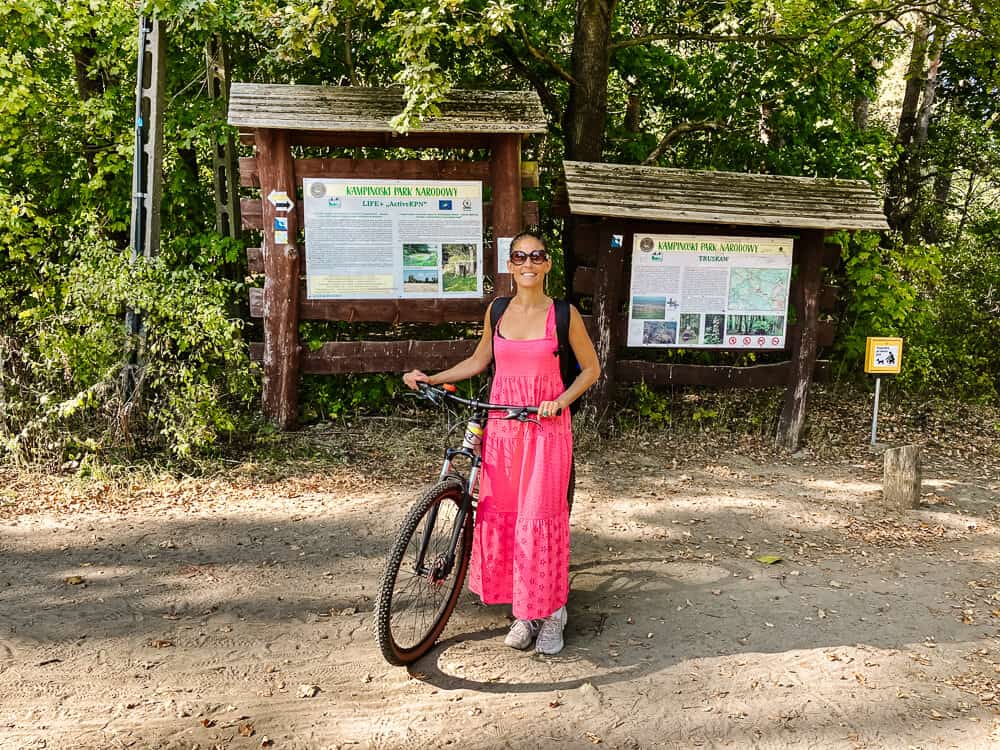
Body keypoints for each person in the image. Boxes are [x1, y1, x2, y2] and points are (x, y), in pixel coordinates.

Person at [403, 231, 600, 655]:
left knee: (540, 517)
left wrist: (560, 400)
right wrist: (432, 378)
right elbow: (479, 361)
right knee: (505, 517)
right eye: (519, 257)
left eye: (537, 256)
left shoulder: (563, 314)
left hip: (545, 428)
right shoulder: (497, 310)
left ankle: (553, 612)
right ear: (510, 265)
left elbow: (590, 369)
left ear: (548, 264)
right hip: (503, 430)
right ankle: (525, 612)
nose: (528, 263)